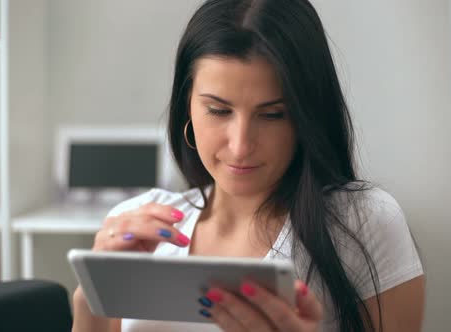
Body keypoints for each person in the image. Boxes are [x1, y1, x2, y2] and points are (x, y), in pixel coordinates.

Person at [71, 0, 425, 331]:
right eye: (219, 110)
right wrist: (90, 305)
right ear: (187, 107)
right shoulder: (138, 223)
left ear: (307, 115)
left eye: (272, 114)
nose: (240, 146)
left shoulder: (362, 223)